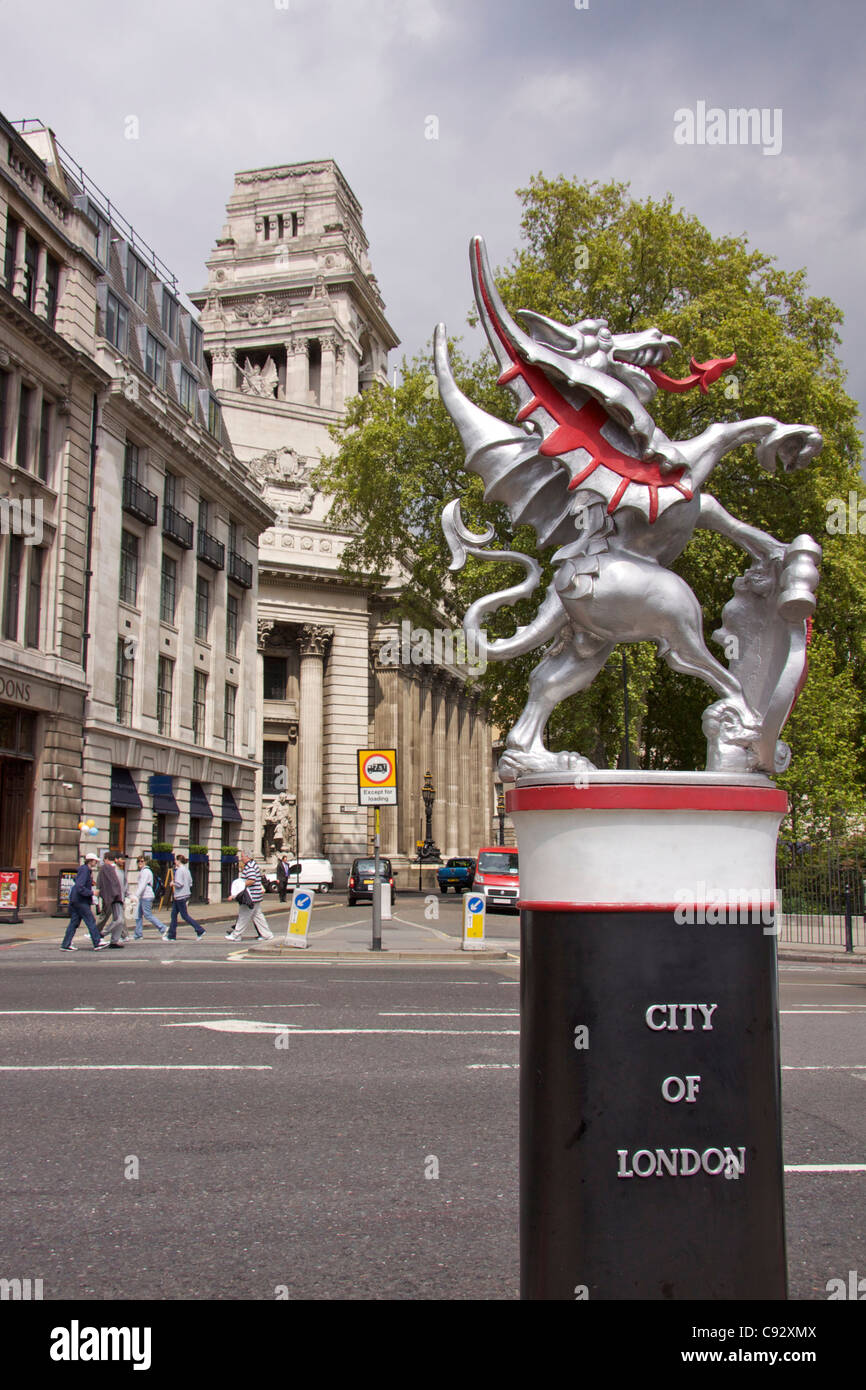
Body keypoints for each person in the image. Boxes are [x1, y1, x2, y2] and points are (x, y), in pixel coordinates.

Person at [61, 853, 109, 951]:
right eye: (95, 861)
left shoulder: (84, 869)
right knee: (90, 920)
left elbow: (77, 882)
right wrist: (92, 892)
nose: (96, 863)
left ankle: (66, 944)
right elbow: (80, 887)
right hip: (80, 900)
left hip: (76, 899)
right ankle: (97, 942)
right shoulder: (85, 870)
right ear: (91, 861)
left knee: (74, 923)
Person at [225, 849, 273, 941]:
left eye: (242, 856)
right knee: (258, 916)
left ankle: (236, 935)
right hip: (256, 896)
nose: (241, 858)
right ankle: (267, 935)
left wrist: (239, 887)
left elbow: (251, 880)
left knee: (243, 916)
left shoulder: (250, 867)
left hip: (250, 896)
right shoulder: (253, 865)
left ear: (247, 857)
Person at [167, 854, 206, 940]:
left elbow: (179, 884)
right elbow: (190, 882)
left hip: (180, 896)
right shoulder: (187, 870)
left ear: (178, 861)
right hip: (185, 895)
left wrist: (172, 883)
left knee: (184, 916)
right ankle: (171, 935)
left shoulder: (179, 871)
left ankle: (199, 930)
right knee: (174, 915)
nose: (174, 862)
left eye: (175, 860)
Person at [96, 852, 126, 948]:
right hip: (115, 898)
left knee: (119, 920)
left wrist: (129, 895)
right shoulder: (108, 869)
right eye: (121, 859)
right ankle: (103, 933)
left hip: (119, 898)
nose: (123, 861)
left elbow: (125, 885)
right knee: (119, 920)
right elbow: (102, 882)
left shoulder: (120, 871)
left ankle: (114, 940)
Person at [134, 855, 167, 940]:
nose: (140, 863)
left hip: (147, 896)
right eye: (138, 861)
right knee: (138, 915)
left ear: (145, 862)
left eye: (142, 861)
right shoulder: (143, 871)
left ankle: (163, 928)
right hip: (143, 896)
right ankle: (138, 934)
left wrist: (135, 895)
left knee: (147, 914)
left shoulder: (146, 871)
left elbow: (143, 885)